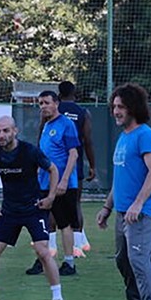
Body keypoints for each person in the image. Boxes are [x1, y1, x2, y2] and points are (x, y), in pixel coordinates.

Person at [95, 83, 151, 300]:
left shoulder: (145, 135)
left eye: (121, 107)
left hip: (142, 214)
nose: (116, 111)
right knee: (123, 261)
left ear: (133, 108)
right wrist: (107, 207)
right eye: (114, 106)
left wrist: (138, 203)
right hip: (123, 213)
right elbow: (120, 179)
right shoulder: (124, 137)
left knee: (140, 261)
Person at [0, 116, 66, 300]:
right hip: (9, 211)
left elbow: (53, 169)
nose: (1, 135)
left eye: (5, 131)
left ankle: (57, 299)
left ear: (15, 131)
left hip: (33, 208)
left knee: (43, 252)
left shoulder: (29, 151)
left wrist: (51, 197)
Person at [28, 90, 81, 277]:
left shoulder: (66, 124)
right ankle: (42, 259)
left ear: (56, 103)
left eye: (46, 102)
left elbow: (73, 154)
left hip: (61, 185)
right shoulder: (45, 125)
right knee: (42, 222)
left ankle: (69, 263)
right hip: (44, 183)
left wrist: (64, 180)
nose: (43, 106)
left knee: (64, 222)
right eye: (40, 103)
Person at [57, 81, 96, 255]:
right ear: (74, 94)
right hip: (74, 164)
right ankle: (78, 245)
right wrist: (92, 165)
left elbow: (42, 135)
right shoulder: (83, 112)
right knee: (75, 203)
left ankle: (51, 245)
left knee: (52, 203)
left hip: (54, 164)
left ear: (59, 94)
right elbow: (87, 140)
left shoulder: (54, 109)